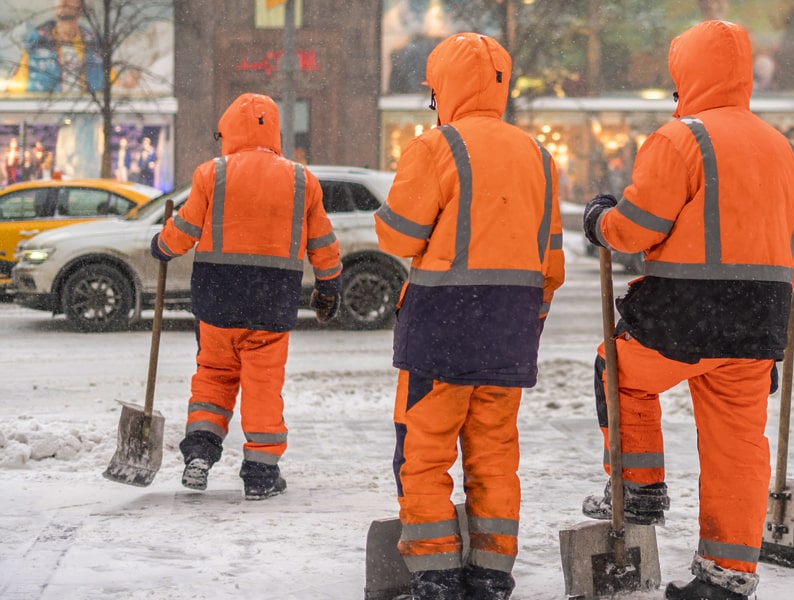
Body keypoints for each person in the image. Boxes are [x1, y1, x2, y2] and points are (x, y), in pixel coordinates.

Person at [580, 20, 794, 600]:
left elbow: (636, 229)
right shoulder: (784, 150)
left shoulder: (681, 138)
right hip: (758, 323)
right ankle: (727, 577)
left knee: (619, 371)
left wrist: (599, 220)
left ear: (686, 75)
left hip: (682, 319)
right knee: (737, 448)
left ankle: (640, 489)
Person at [373, 32, 564, 600]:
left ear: (443, 89)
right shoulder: (539, 156)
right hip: (510, 333)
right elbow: (550, 261)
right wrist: (527, 321)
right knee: (496, 455)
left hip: (441, 331)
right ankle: (490, 572)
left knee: (425, 454)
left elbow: (398, 234)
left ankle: (435, 574)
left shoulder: (437, 148)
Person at [150, 93, 343, 501]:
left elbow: (184, 229)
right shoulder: (301, 179)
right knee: (262, 386)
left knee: (213, 376)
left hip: (217, 300)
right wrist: (329, 285)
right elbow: (322, 241)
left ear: (227, 132)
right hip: (272, 303)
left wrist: (162, 246)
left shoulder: (211, 174)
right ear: (273, 130)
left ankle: (200, 450)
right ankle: (260, 473)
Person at [7, 0, 105, 94]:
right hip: (46, 110)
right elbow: (14, 92)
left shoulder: (95, 45)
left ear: (81, 4)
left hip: (86, 109)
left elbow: (114, 88)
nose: (63, 1)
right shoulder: (35, 43)